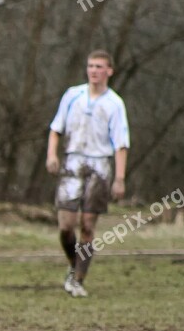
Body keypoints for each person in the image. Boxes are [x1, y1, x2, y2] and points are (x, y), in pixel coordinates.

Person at [46, 49, 130, 298]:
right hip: (72, 162)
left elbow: (121, 144)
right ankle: (74, 264)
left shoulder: (115, 103)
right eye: (91, 66)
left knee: (88, 225)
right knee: (66, 226)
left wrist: (119, 178)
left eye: (100, 66)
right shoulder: (73, 95)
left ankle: (78, 278)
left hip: (99, 166)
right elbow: (55, 128)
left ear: (109, 71)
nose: (94, 70)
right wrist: (52, 155)